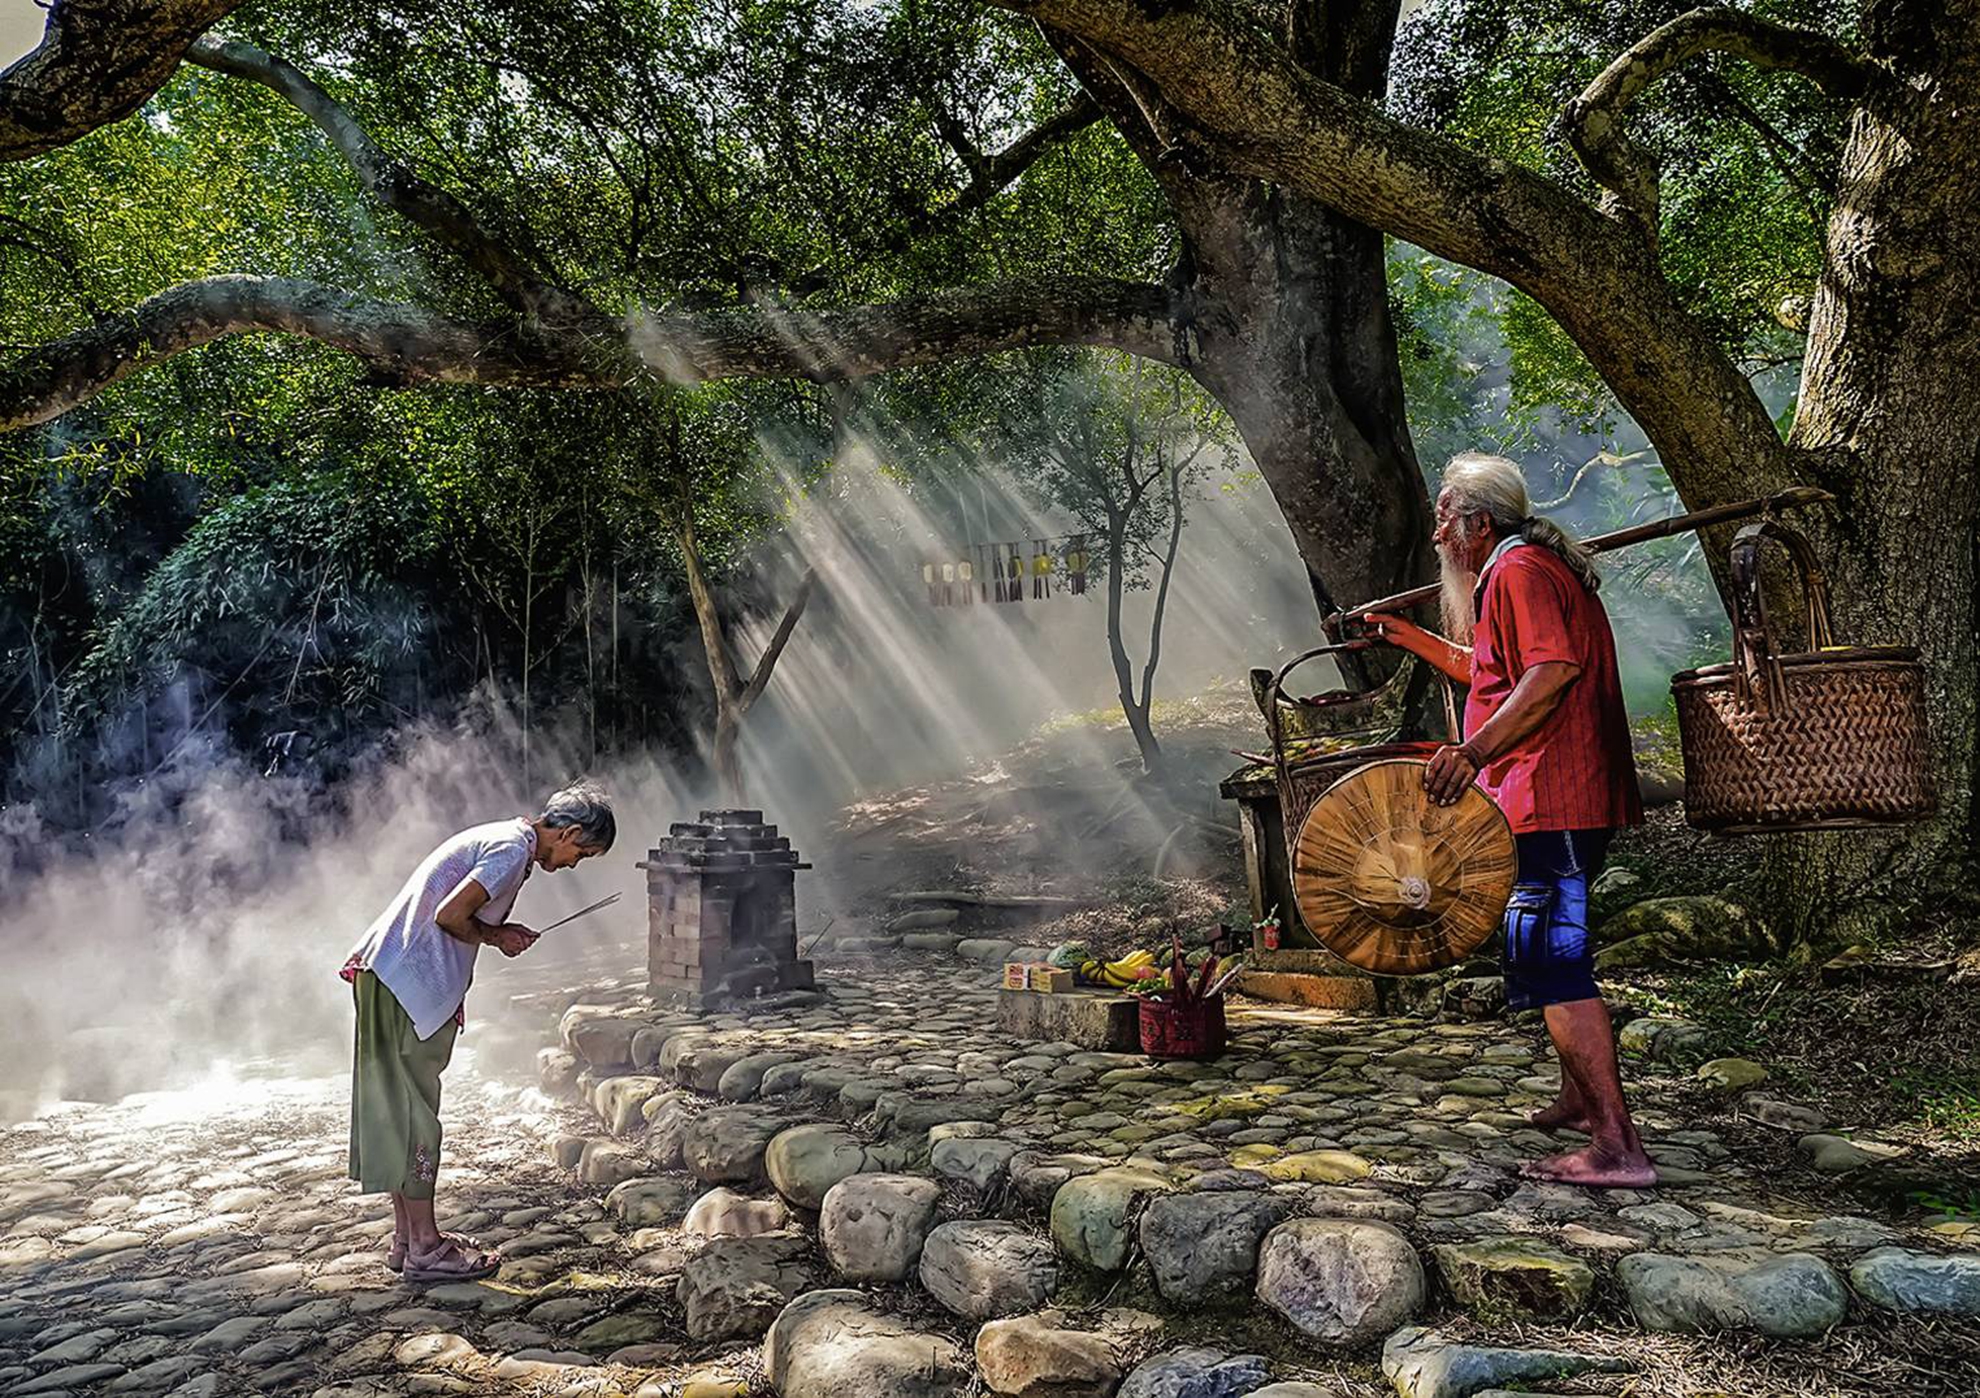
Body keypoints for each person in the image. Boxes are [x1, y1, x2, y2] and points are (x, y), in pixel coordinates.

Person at [1365, 453, 1654, 1188]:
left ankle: (1617, 1148)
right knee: (1547, 952)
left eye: (1444, 518)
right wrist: (1407, 637)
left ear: (1479, 523)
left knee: (1554, 963)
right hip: (1547, 794)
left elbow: (1551, 672)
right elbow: (1491, 671)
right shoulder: (1514, 571)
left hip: (1552, 793)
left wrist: (1474, 751)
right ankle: (1578, 1101)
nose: (1437, 533)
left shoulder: (1520, 570)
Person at [342, 779, 616, 1279]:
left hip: (385, 976)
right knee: (416, 1116)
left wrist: (495, 933)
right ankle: (426, 1248)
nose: (575, 864)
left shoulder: (504, 839)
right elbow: (450, 915)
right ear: (570, 833)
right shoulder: (511, 850)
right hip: (407, 987)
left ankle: (408, 1238)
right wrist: (497, 935)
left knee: (398, 1110)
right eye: (583, 853)